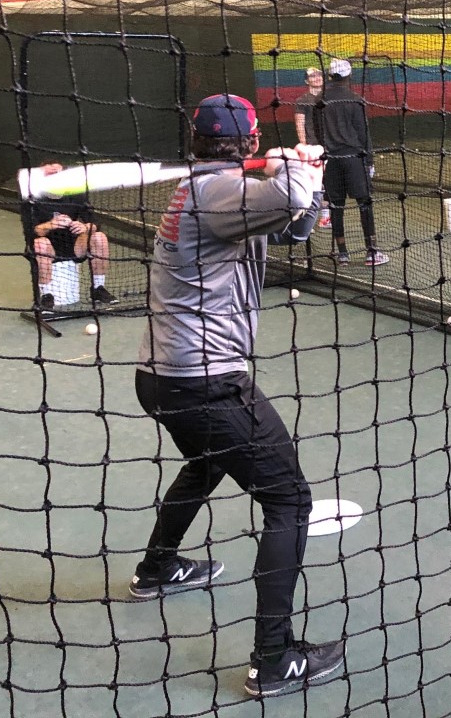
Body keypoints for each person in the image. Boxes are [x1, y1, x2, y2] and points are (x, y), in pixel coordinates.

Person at [129, 93, 343, 699]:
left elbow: (299, 223)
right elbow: (293, 197)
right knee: (290, 501)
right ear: (248, 141)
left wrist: (306, 176)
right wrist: (295, 164)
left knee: (206, 464)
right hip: (207, 381)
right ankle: (273, 658)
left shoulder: (218, 190)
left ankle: (158, 568)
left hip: (165, 377)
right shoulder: (218, 193)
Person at [23, 163, 118, 317]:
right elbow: (32, 230)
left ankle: (98, 289)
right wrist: (50, 224)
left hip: (73, 246)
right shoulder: (32, 198)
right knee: (40, 243)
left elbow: (95, 223)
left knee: (99, 237)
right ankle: (47, 297)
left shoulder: (76, 195)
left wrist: (84, 227)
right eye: (50, 173)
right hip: (47, 247)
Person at [318, 58, 387, 266]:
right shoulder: (355, 99)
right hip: (354, 158)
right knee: (364, 204)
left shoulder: (320, 101)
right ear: (348, 76)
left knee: (335, 206)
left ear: (330, 76)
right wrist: (370, 161)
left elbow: (318, 133)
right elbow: (363, 133)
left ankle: (342, 254)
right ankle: (371, 253)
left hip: (331, 160)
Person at [292, 66, 331, 228]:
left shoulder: (329, 97)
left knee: (328, 182)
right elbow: (299, 124)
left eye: (319, 74)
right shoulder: (302, 100)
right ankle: (306, 220)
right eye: (312, 76)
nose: (317, 77)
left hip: (329, 145)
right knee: (312, 184)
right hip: (312, 148)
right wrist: (305, 146)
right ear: (306, 81)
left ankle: (325, 218)